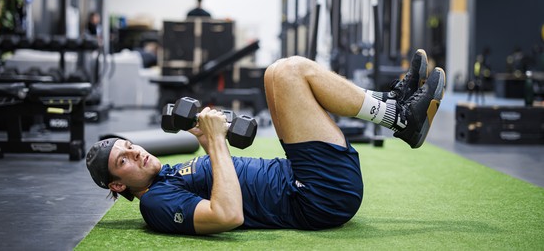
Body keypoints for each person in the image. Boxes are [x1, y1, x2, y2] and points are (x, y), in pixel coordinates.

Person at [86, 49, 446, 235]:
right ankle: (397, 117)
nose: (135, 152)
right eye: (124, 160)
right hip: (316, 197)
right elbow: (227, 215)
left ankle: (391, 107)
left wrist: (207, 139)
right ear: (119, 184)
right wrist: (216, 144)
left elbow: (217, 178)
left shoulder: (167, 176)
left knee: (276, 72)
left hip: (301, 176)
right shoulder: (156, 205)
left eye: (129, 146)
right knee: (290, 73)